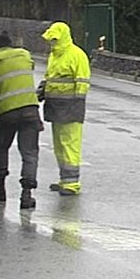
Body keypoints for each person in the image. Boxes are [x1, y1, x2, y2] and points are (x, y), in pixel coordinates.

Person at [0, 32, 41, 210]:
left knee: (0, 146)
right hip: (30, 110)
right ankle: (26, 196)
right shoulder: (25, 55)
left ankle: (0, 189)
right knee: (29, 153)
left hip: (7, 113)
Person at [39, 22, 90, 195]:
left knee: (70, 145)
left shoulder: (77, 55)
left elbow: (82, 82)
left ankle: (72, 184)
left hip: (70, 108)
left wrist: (77, 105)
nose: (52, 43)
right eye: (50, 40)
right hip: (55, 107)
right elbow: (49, 77)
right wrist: (40, 93)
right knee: (59, 145)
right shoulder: (54, 55)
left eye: (54, 39)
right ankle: (64, 179)